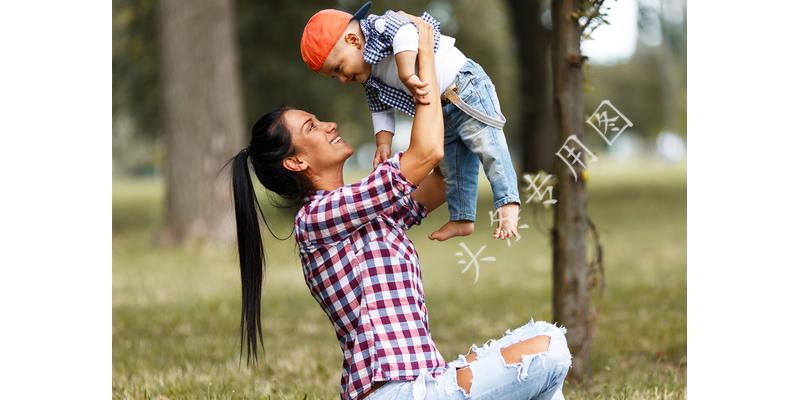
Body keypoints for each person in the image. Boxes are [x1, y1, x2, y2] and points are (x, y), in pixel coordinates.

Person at [229, 15, 570, 400]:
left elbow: (443, 178)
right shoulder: (316, 219)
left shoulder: (370, 209)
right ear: (296, 163)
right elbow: (426, 152)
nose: (328, 125)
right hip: (392, 392)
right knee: (548, 353)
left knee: (544, 343)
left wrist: (469, 103)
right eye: (311, 128)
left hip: (424, 382)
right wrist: (423, 60)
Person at [299, 1, 522, 242]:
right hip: (442, 106)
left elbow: (406, 30)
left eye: (339, 68)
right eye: (335, 76)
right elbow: (380, 109)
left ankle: (508, 202)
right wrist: (383, 142)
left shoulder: (378, 27)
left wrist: (406, 72)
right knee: (453, 166)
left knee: (488, 145)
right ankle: (462, 218)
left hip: (464, 87)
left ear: (354, 40)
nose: (343, 79)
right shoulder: (371, 78)